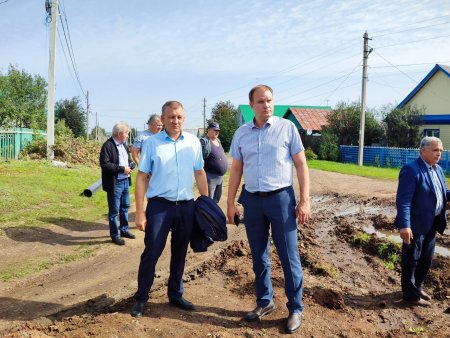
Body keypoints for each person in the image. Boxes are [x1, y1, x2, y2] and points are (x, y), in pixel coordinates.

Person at [227, 85, 311, 334]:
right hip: (252, 201)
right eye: (261, 101)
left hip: (281, 200)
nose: (267, 105)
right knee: (259, 255)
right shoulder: (242, 133)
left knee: (289, 255)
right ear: (251, 105)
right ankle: (265, 302)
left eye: (270, 100)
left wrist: (304, 200)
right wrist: (230, 202)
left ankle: (295, 308)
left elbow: (301, 164)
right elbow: (236, 170)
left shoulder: (287, 128)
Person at [131, 101, 208, 317]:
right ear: (163, 119)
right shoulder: (152, 144)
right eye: (171, 117)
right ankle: (141, 299)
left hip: (185, 207)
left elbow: (200, 173)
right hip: (159, 207)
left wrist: (206, 204)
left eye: (179, 117)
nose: (175, 121)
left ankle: (175, 294)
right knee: (152, 253)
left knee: (180, 253)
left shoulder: (193, 143)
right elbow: (142, 178)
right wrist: (140, 212)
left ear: (184, 118)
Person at [395, 136, 449, 307]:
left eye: (441, 150)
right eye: (435, 150)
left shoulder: (438, 170)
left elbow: (441, 193)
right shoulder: (411, 170)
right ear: (423, 151)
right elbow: (403, 200)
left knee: (426, 259)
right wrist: (405, 225)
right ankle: (410, 296)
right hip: (415, 224)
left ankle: (417, 287)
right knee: (411, 260)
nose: (439, 153)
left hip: (432, 223)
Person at [100, 121, 136, 246]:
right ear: (120, 133)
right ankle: (115, 235)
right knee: (114, 211)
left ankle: (124, 230)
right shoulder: (107, 146)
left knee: (125, 207)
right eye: (126, 133)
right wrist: (122, 169)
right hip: (115, 184)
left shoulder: (124, 145)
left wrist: (131, 165)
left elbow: (128, 160)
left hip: (125, 181)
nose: (127, 135)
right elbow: (105, 165)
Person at [200, 122, 228, 203]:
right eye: (215, 130)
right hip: (210, 177)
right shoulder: (204, 142)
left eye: (218, 130)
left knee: (216, 200)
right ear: (208, 130)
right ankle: (207, 215)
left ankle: (214, 215)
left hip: (220, 177)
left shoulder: (218, 140)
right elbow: (198, 159)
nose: (217, 132)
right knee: (209, 200)